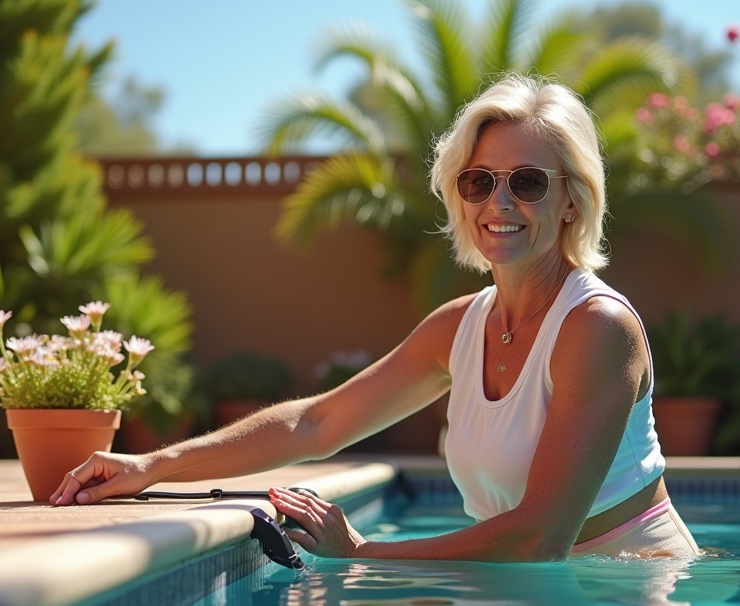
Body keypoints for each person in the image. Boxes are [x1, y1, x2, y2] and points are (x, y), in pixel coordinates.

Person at [50, 74, 700, 563]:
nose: (499, 202)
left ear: (569, 200)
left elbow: (539, 536)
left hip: (625, 600)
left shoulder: (595, 329)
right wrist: (152, 466)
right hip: (513, 598)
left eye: (527, 181)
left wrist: (362, 557)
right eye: (478, 181)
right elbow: (318, 421)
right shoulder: (460, 328)